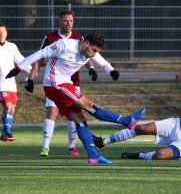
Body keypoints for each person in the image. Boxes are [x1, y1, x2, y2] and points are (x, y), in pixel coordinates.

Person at [6, 31, 145, 164]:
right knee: (89, 105)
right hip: (55, 84)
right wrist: (18, 69)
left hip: (63, 84)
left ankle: (93, 156)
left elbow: (100, 60)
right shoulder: (64, 45)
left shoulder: (88, 51)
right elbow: (40, 54)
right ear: (86, 44)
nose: (94, 54)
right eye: (94, 50)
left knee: (80, 120)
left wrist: (111, 70)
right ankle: (126, 121)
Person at [24, 9, 119, 157]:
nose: (68, 24)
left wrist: (93, 69)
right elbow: (39, 58)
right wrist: (30, 78)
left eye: (71, 21)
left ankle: (72, 146)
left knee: (74, 115)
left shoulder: (79, 38)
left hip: (72, 82)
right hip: (55, 82)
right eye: (65, 21)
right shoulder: (51, 38)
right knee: (53, 111)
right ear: (59, 21)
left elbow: (89, 56)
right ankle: (45, 147)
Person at [0, 23, 31, 142]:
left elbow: (21, 60)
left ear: (6, 33)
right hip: (1, 85)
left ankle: (4, 134)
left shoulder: (12, 46)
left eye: (3, 31)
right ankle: (8, 132)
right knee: (8, 105)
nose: (1, 34)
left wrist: (32, 70)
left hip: (11, 85)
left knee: (11, 109)